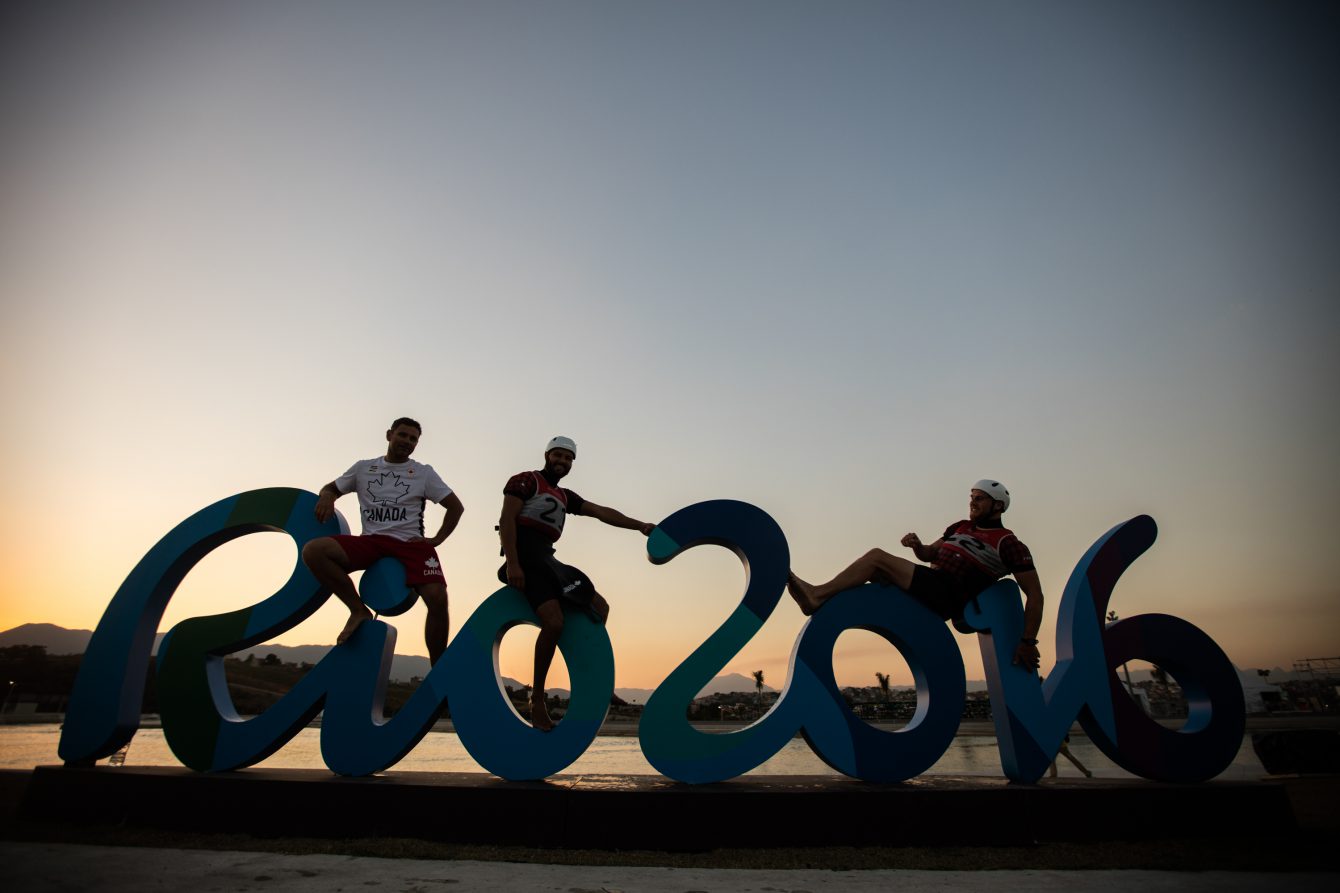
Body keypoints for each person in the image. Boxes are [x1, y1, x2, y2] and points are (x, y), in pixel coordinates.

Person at [787, 480, 1043, 671]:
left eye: (980, 498)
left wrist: (1028, 641)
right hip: (930, 582)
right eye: (972, 497)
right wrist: (917, 546)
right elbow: (930, 553)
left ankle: (817, 595)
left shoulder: (1008, 543)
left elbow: (1035, 595)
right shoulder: (960, 527)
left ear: (998, 506)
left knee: (877, 558)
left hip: (950, 595)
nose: (972, 502)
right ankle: (823, 599)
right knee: (876, 569)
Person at [498, 436, 654, 731]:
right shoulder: (525, 480)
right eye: (558, 455)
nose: (562, 461)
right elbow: (507, 520)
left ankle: (596, 682)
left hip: (549, 560)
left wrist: (640, 526)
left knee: (599, 607)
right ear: (547, 455)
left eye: (568, 458)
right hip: (527, 558)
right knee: (554, 622)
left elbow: (601, 512)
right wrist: (512, 563)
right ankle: (537, 700)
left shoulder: (565, 495)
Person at [302, 417, 465, 665]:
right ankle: (358, 610)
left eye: (413, 439)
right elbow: (332, 488)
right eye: (403, 435)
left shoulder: (423, 473)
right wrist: (327, 497)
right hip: (371, 541)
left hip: (410, 543)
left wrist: (438, 539)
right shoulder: (364, 468)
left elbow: (455, 507)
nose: (407, 441)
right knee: (314, 551)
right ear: (389, 435)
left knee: (438, 598)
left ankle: (438, 668)